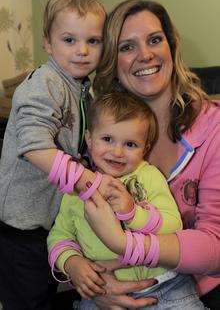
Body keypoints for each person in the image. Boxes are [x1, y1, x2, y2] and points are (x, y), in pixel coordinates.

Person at [81, 0, 220, 310]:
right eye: (127, 47)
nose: (145, 54)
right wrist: (92, 283)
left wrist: (125, 245)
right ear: (112, 63)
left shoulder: (215, 128)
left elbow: (217, 246)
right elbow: (68, 222)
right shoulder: (97, 133)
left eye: (155, 40)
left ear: (171, 47)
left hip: (200, 290)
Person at [0, 0, 111, 310]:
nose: (82, 51)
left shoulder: (83, 88)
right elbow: (34, 146)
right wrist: (88, 181)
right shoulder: (45, 83)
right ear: (47, 43)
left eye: (93, 41)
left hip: (47, 222)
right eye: (69, 40)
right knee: (29, 300)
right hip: (20, 228)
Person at [48, 92, 204, 309]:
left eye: (130, 144)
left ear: (145, 148)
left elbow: (173, 224)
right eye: (108, 139)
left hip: (167, 287)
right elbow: (59, 235)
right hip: (101, 290)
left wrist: (133, 213)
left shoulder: (148, 175)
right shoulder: (76, 189)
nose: (118, 151)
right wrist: (72, 263)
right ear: (89, 140)